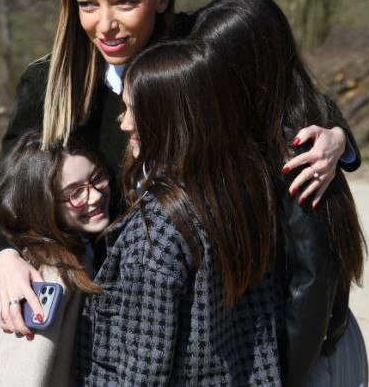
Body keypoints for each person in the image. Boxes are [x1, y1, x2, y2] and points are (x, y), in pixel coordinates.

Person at [0, 0, 362, 335]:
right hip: (114, 299)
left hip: (226, 304)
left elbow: (284, 87)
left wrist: (336, 136)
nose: (104, 24)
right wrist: (3, 257)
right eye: (87, 4)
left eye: (125, 2)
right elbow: (8, 185)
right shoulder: (50, 82)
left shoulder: (200, 49)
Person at [74, 38, 286, 384]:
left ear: (170, 118)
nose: (124, 123)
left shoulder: (156, 233)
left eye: (133, 110)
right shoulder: (244, 188)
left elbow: (141, 371)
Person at [191, 0, 368, 386]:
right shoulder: (298, 114)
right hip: (310, 347)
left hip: (308, 359)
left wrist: (285, 377)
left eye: (214, 69)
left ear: (249, 68)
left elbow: (311, 281)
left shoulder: (295, 146)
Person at [0, 133, 118, 386]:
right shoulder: (46, 276)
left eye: (97, 177)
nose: (95, 195)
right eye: (75, 192)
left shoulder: (48, 248)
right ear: (42, 204)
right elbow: (17, 371)